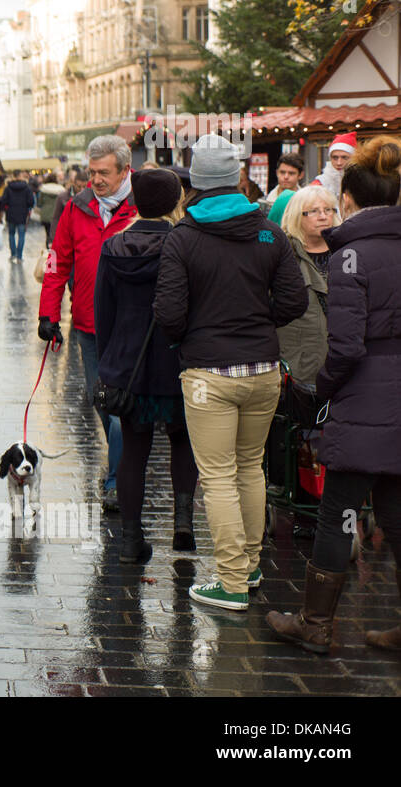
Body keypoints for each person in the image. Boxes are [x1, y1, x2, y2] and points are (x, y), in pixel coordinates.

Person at [153, 134, 307, 611]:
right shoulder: (269, 231)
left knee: (217, 477)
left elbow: (168, 313)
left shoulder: (183, 237)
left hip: (207, 374)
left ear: (194, 182)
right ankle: (251, 566)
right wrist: (260, 324)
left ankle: (231, 582)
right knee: (249, 469)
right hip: (262, 370)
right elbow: (295, 301)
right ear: (238, 176)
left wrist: (191, 337)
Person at [267, 137, 401, 653]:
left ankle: (315, 623)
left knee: (337, 511)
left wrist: (324, 391)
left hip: (363, 399)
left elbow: (344, 347)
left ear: (348, 200)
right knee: (396, 512)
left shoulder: (351, 257)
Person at [95, 169, 198, 562]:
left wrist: (110, 363)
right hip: (177, 362)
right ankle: (183, 523)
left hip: (128, 367)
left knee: (134, 450)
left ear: (135, 203)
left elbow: (103, 314)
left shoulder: (113, 247)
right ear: (177, 202)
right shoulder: (185, 245)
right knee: (183, 440)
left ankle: (130, 541)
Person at [39, 136, 137, 510]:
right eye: (91, 172)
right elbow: (57, 261)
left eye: (104, 173)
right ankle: (119, 463)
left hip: (131, 326)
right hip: (88, 324)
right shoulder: (76, 206)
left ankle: (116, 479)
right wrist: (47, 313)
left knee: (120, 406)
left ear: (125, 171)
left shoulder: (144, 206)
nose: (95, 180)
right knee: (99, 398)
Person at [276, 185, 339, 384]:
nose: (322, 216)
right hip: (299, 368)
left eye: (328, 210)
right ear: (297, 216)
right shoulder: (282, 256)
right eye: (313, 211)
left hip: (343, 364)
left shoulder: (347, 253)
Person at [0, 170, 36, 263]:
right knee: (21, 235)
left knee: (11, 234)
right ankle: (19, 257)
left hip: (11, 213)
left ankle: (13, 254)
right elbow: (31, 202)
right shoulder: (27, 188)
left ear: (13, 176)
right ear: (21, 176)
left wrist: (5, 209)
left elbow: (3, 201)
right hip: (22, 214)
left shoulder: (8, 187)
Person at [311, 131, 356, 200]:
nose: (339, 163)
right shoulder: (319, 184)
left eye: (344, 157)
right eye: (335, 158)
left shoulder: (364, 181)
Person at [264, 152, 305, 227]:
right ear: (277, 173)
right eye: (282, 172)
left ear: (301, 175)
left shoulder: (308, 201)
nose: (286, 177)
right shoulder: (263, 202)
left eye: (291, 173)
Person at [37, 171, 64, 248]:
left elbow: (40, 202)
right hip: (56, 215)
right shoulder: (61, 189)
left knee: (48, 234)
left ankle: (48, 251)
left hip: (45, 215)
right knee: (55, 235)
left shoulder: (43, 189)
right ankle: (53, 251)